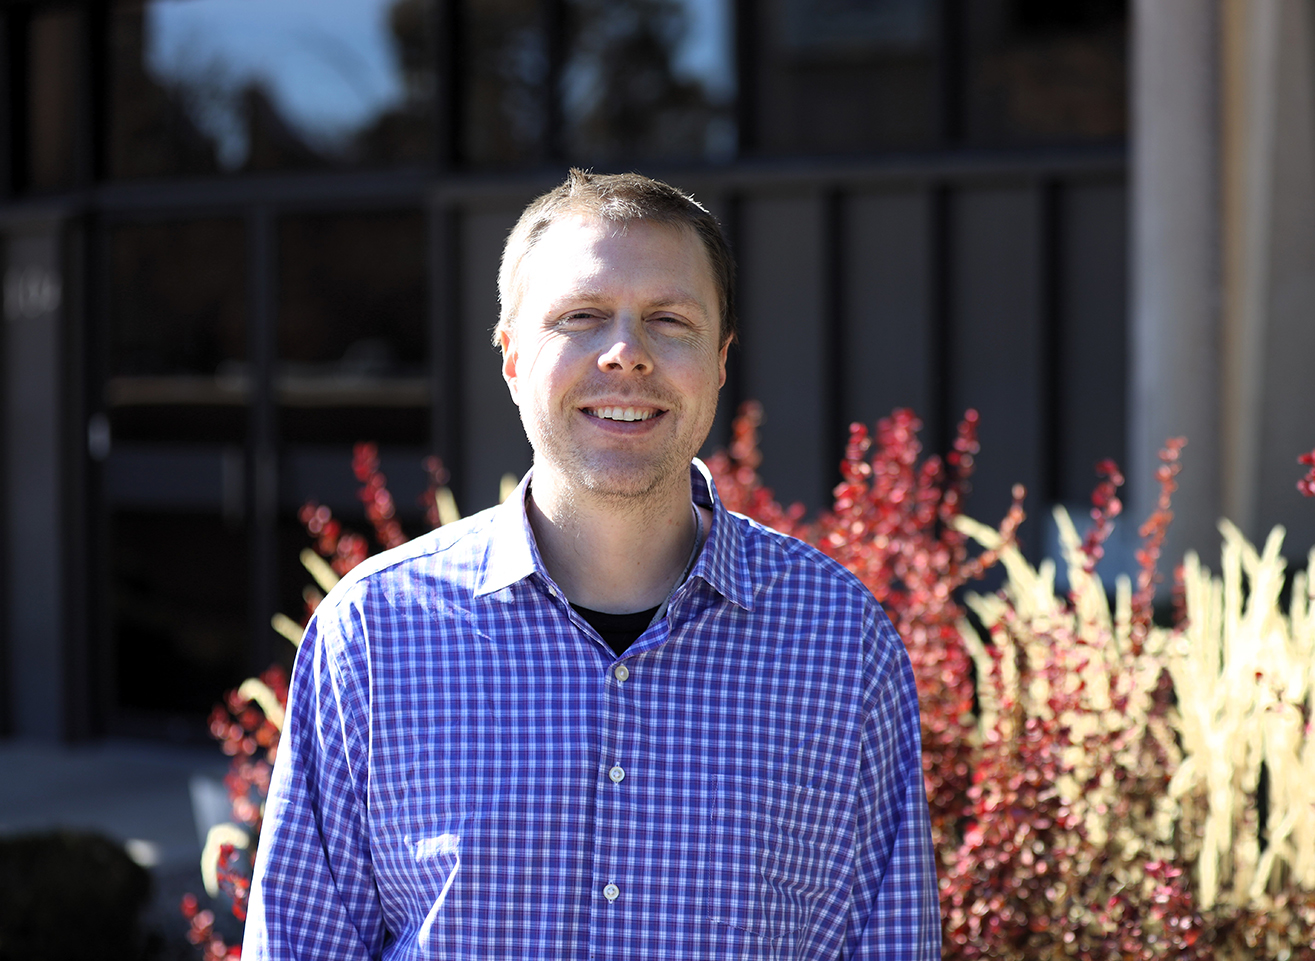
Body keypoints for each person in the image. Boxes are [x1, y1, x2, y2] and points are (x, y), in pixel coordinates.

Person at [245, 170, 940, 960]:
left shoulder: (840, 645)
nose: (625, 354)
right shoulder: (373, 636)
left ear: (719, 361)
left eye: (669, 320)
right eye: (581, 316)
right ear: (510, 357)